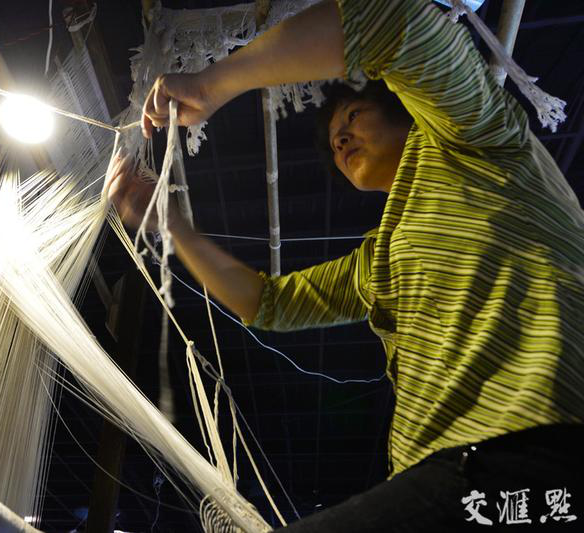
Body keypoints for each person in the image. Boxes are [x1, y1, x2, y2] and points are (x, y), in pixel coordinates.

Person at [106, 0, 584, 530]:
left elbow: (395, 19)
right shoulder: (379, 259)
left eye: (353, 116)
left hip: (537, 447)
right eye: (335, 143)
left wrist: (216, 82)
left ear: (405, 108)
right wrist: (170, 224)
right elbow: (268, 303)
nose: (340, 140)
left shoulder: (478, 139)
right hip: (439, 472)